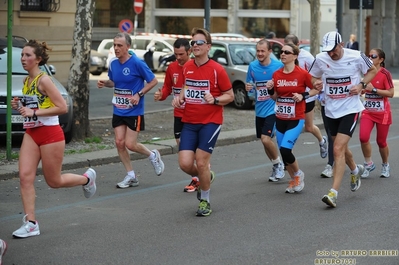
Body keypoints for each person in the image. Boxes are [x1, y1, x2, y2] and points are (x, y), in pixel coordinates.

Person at [10, 40, 97, 238]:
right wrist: (20, 106)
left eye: (28, 55)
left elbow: (62, 107)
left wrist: (33, 112)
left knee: (54, 181)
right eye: (22, 55)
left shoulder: (44, 80)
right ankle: (31, 223)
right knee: (24, 177)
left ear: (38, 59)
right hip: (32, 133)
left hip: (50, 134)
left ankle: (86, 179)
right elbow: (34, 106)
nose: (23, 59)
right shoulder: (26, 81)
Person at [309, 31, 378, 208]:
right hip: (330, 109)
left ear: (341, 44)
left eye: (333, 50)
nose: (331, 54)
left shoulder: (356, 56)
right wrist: (316, 82)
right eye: (328, 51)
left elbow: (372, 70)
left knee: (337, 149)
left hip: (350, 108)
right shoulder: (321, 58)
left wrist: (361, 85)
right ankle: (355, 170)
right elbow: (312, 76)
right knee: (342, 148)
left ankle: (333, 193)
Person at [172, 27, 234, 216]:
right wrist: (180, 97)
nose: (195, 45)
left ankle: (205, 200)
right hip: (189, 121)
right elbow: (186, 85)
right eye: (193, 43)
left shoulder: (217, 70)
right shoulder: (188, 66)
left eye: (199, 42)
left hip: (211, 122)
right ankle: (206, 176)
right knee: (184, 163)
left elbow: (230, 95)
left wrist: (215, 100)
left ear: (208, 46)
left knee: (201, 162)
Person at [97, 32, 164, 188]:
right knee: (119, 143)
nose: (116, 48)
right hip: (118, 109)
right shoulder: (113, 63)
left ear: (128, 46)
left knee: (130, 144)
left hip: (134, 111)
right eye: (114, 45)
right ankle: (131, 175)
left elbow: (153, 81)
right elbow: (114, 81)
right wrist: (104, 83)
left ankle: (153, 155)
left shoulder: (137, 63)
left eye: (120, 45)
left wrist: (138, 94)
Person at [268, 43, 318, 193]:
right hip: (280, 117)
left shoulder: (302, 74)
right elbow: (275, 97)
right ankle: (293, 180)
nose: (282, 54)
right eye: (281, 52)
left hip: (296, 117)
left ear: (295, 56)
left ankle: (298, 174)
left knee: (285, 149)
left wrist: (303, 95)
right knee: (284, 154)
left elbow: (316, 89)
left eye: (287, 52)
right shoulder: (277, 74)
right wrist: (270, 89)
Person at [154, 38, 199, 192]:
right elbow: (167, 87)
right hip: (179, 114)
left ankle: (199, 177)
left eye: (181, 54)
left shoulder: (195, 67)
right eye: (175, 54)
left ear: (189, 51)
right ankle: (200, 174)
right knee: (182, 146)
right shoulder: (172, 67)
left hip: (194, 114)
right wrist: (161, 95)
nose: (178, 57)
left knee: (195, 148)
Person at [245, 39, 285, 182]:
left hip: (273, 109)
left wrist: (275, 87)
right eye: (258, 51)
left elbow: (285, 86)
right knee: (264, 141)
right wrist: (248, 89)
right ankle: (276, 165)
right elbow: (250, 88)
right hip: (259, 110)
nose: (260, 53)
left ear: (269, 51)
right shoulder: (252, 66)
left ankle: (279, 164)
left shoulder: (278, 66)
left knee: (265, 138)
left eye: (263, 51)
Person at [284, 34, 328, 159]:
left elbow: (318, 74)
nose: (287, 51)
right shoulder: (284, 56)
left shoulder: (307, 57)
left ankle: (322, 141)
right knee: (290, 127)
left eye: (291, 47)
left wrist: (318, 89)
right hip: (291, 97)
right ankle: (287, 155)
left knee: (309, 127)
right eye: (286, 47)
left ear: (298, 45)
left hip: (307, 96)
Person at [359, 48, 394, 178]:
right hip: (368, 111)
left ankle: (385, 164)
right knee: (363, 137)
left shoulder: (385, 74)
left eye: (373, 56)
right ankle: (368, 163)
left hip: (382, 113)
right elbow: (364, 88)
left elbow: (390, 93)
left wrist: (373, 89)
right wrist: (362, 91)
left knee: (381, 142)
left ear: (381, 59)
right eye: (369, 56)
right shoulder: (367, 72)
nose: (370, 58)